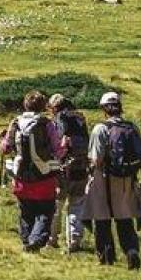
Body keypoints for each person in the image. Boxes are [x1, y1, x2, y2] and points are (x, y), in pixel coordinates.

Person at [81, 90, 141, 269]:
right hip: (127, 180)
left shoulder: (100, 129)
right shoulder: (132, 128)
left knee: (102, 220)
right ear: (120, 107)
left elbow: (96, 160)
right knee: (125, 220)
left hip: (103, 179)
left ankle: (106, 257)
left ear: (104, 109)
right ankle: (131, 251)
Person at [0, 89, 63, 252]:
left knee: (26, 212)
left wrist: (2, 141)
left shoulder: (16, 123)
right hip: (44, 176)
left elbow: (6, 148)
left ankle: (27, 241)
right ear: (43, 106)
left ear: (25, 105)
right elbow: (58, 149)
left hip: (21, 176)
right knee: (45, 211)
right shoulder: (47, 124)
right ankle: (36, 240)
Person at [49, 93, 92, 253]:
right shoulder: (80, 118)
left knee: (57, 203)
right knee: (77, 203)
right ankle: (74, 240)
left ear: (54, 107)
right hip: (81, 166)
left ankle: (51, 238)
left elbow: (60, 142)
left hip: (63, 167)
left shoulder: (59, 118)